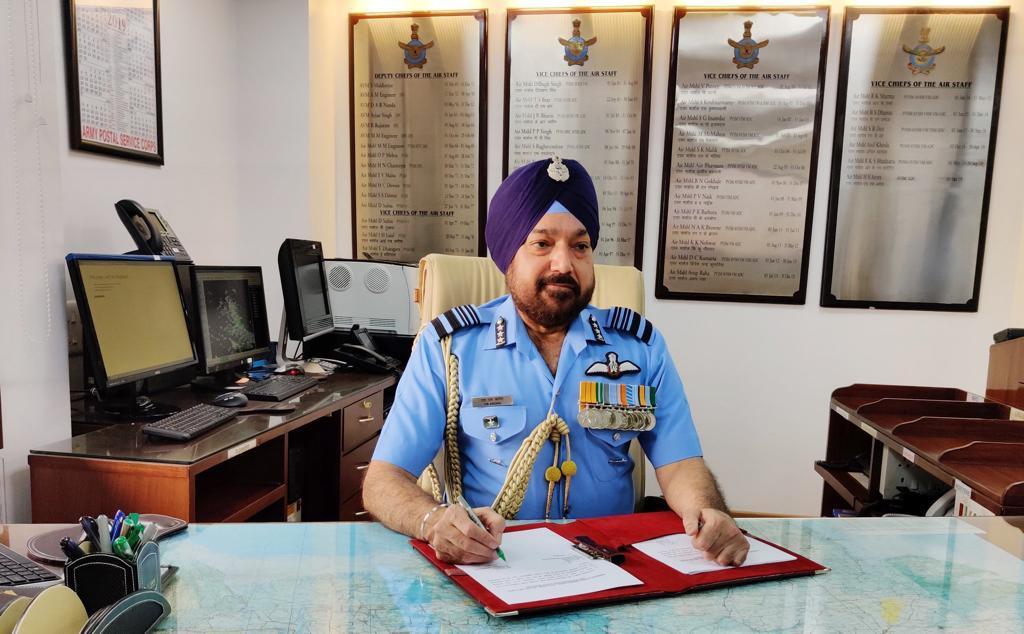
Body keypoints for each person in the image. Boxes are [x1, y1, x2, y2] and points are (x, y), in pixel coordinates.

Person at [363, 157, 748, 567]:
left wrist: (708, 513)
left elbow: (681, 463)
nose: (564, 264)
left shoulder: (640, 346)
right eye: (542, 244)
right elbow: (384, 479)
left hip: (608, 565)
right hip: (495, 563)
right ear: (509, 256)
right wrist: (432, 520)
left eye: (580, 246)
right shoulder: (448, 349)